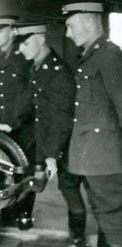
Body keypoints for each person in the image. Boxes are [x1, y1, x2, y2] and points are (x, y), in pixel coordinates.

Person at [15, 22, 86, 246]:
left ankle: (78, 237)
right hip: (48, 140)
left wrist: (52, 155)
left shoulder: (58, 72)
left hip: (68, 142)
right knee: (51, 185)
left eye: (25, 43)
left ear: (41, 39)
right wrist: (8, 124)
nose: (21, 49)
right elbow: (29, 101)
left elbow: (63, 119)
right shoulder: (37, 67)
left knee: (70, 189)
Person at [63, 1, 122, 246]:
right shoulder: (91, 56)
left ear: (89, 21)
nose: (68, 33)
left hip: (106, 158)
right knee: (103, 214)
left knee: (113, 219)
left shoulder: (109, 55)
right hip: (94, 159)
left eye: (70, 25)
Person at [0, 15, 36, 230]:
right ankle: (8, 211)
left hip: (24, 124)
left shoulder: (23, 55)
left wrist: (13, 122)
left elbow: (29, 93)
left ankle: (24, 213)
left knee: (25, 171)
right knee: (6, 168)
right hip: (3, 123)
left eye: (0, 31)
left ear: (12, 31)